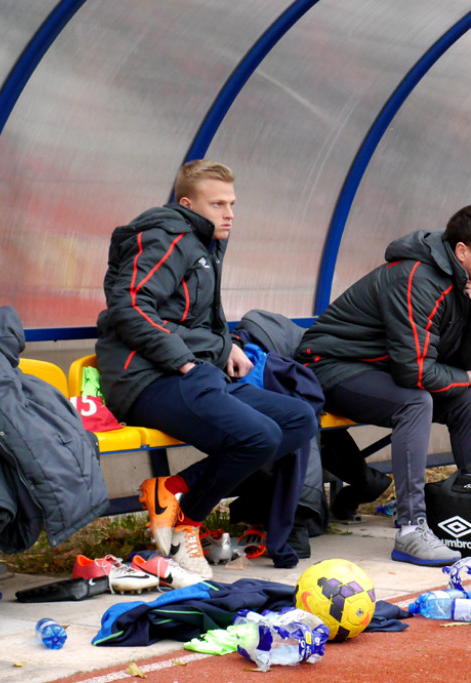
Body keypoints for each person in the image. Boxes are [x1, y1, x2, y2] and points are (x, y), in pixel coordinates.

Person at [96, 160, 318, 577]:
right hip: (148, 378)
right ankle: (187, 527)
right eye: (217, 204)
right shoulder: (163, 237)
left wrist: (227, 344)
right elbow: (130, 305)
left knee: (298, 418)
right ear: (187, 204)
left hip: (196, 372)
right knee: (259, 436)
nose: (229, 213)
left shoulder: (203, 244)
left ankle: (173, 489)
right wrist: (179, 358)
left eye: (232, 203)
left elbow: (190, 316)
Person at [295, 204, 471, 566]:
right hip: (330, 365)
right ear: (461, 251)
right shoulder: (417, 278)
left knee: (468, 396)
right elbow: (414, 373)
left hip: (382, 371)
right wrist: (462, 376)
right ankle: (412, 528)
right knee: (416, 402)